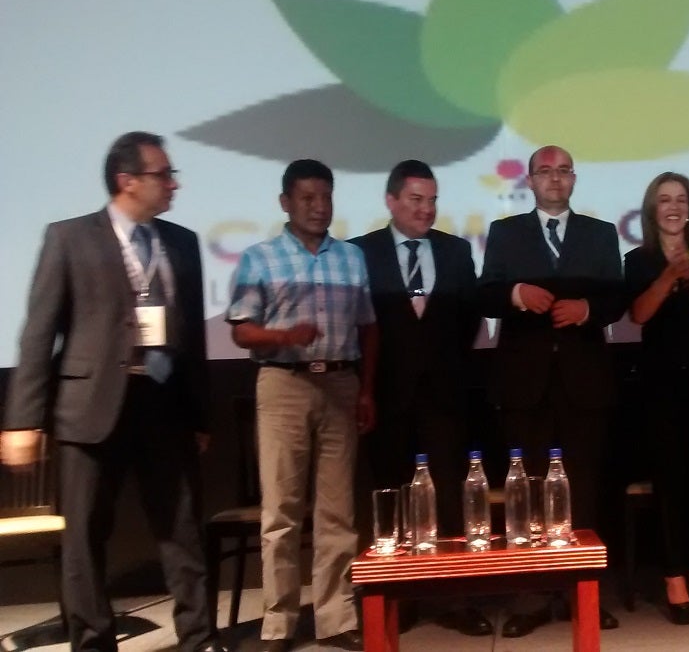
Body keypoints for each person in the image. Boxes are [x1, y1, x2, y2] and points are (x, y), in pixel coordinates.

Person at [0, 131, 224, 652]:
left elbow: (192, 336)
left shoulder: (182, 242)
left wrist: (200, 416)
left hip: (164, 405)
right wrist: (22, 419)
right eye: (164, 175)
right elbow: (39, 331)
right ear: (127, 181)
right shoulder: (69, 237)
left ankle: (199, 639)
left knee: (182, 532)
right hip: (91, 408)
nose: (174, 185)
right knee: (85, 537)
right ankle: (94, 642)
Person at [226, 159, 377, 652]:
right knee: (282, 511)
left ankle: (336, 619)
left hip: (340, 382)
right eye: (308, 197)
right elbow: (241, 330)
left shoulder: (351, 258)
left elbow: (368, 328)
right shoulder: (259, 258)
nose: (319, 207)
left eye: (326, 197)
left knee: (338, 512)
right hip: (283, 383)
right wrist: (283, 336)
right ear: (285, 202)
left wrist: (365, 389)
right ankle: (279, 623)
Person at [478, 145, 624, 637]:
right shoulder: (505, 232)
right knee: (529, 490)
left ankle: (584, 594)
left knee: (585, 489)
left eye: (563, 171)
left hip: (585, 380)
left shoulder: (601, 233)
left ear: (574, 179)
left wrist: (588, 310)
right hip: (524, 383)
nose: (555, 179)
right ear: (530, 181)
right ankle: (533, 597)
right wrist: (516, 294)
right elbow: (485, 293)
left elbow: (616, 298)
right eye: (545, 171)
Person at [348, 159, 490, 637]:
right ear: (391, 201)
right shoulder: (360, 251)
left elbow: (469, 318)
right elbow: (358, 323)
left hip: (444, 395)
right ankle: (398, 598)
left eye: (432, 200)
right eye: (415, 200)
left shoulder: (455, 250)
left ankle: (454, 598)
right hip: (385, 394)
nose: (426, 209)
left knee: (449, 495)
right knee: (389, 497)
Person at [624, 172, 689, 625]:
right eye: (665, 200)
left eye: (681, 199)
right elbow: (639, 314)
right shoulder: (639, 258)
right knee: (669, 478)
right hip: (660, 381)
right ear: (653, 209)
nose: (673, 207)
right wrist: (668, 275)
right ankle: (673, 575)